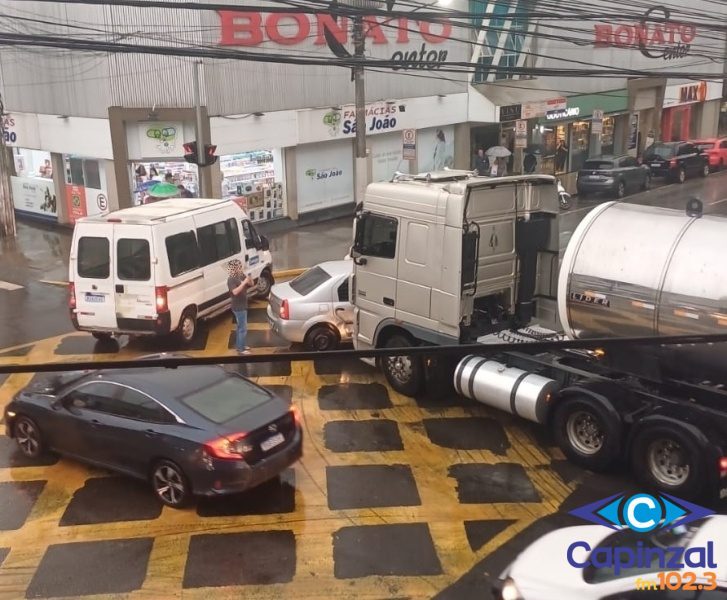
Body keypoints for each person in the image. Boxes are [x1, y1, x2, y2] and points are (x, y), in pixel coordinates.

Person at [227, 259, 255, 355]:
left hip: (243, 305)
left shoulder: (241, 275)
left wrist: (249, 277)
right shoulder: (231, 279)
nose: (241, 267)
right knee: (243, 328)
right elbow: (235, 292)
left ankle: (241, 345)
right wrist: (244, 283)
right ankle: (241, 349)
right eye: (239, 266)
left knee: (240, 327)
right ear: (234, 268)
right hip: (238, 307)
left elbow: (251, 284)